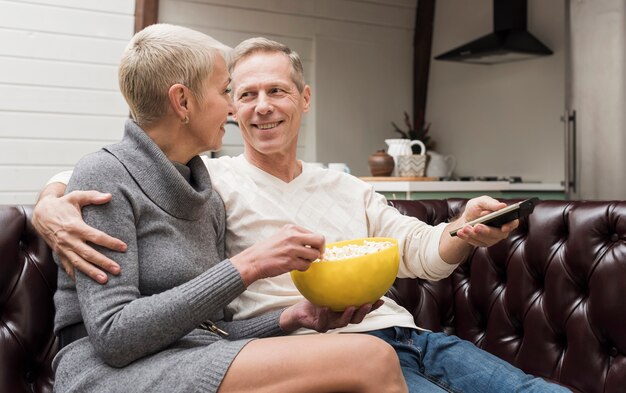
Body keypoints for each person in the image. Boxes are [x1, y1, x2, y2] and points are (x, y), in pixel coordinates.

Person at [34, 36, 570, 392]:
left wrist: (462, 230)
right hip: (317, 351)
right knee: (374, 364)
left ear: (304, 98)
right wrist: (48, 205)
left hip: (401, 332)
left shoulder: (229, 183)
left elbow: (417, 248)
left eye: (276, 91)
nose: (254, 106)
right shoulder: (213, 179)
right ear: (188, 102)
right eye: (237, 93)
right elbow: (102, 173)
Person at [47, 24, 409, 393]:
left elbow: (212, 331)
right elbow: (114, 335)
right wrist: (248, 265)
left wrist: (291, 317)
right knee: (371, 357)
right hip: (107, 371)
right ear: (183, 102)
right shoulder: (105, 175)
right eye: (226, 91)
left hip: (190, 355)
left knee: (361, 359)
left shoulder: (203, 190)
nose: (235, 109)